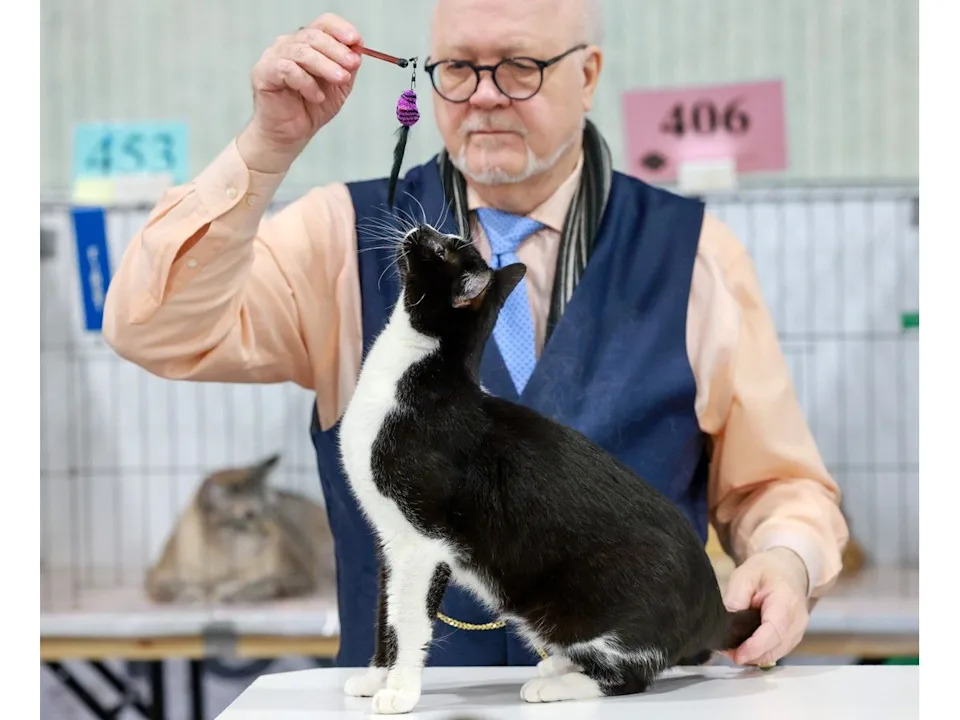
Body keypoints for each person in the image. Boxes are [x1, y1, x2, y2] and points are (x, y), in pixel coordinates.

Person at [102, 0, 849, 670]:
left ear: (588, 75)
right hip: (413, 697)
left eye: (519, 67)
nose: (485, 95)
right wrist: (266, 147)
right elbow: (152, 328)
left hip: (628, 695)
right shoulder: (344, 237)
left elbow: (778, 486)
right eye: (458, 68)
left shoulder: (691, 254)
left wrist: (787, 557)